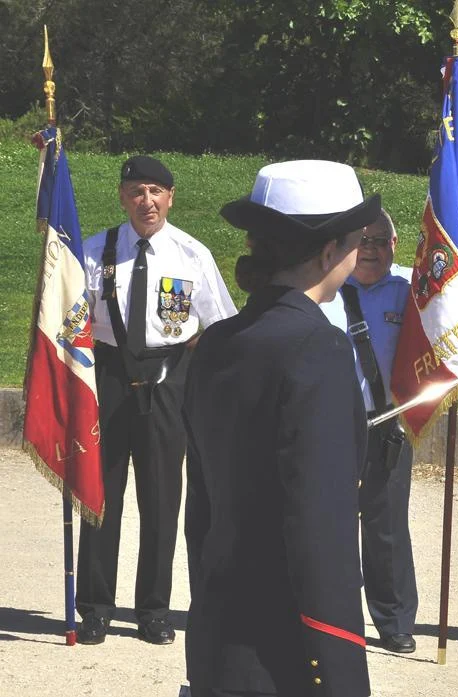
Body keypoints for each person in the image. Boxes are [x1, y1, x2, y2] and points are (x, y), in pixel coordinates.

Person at [182, 160, 378, 696]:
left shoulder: (217, 343)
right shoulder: (319, 349)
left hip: (218, 637)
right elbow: (322, 533)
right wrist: (339, 674)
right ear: (327, 250)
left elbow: (201, 511)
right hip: (287, 654)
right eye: (358, 239)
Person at [76, 155, 236, 646]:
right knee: (99, 496)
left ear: (170, 197)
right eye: (136, 192)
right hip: (107, 377)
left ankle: (153, 609)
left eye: (156, 191)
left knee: (162, 499)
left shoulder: (191, 255)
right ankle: (96, 607)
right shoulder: (93, 252)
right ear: (122, 198)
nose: (147, 201)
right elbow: (70, 323)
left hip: (169, 380)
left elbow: (222, 327)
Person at [318, 209, 419, 654]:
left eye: (380, 240)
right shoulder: (327, 289)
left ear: (395, 245)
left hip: (386, 422)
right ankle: (331, 614)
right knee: (328, 520)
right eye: (363, 241)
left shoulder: (411, 290)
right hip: (331, 422)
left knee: (386, 525)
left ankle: (393, 619)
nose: (371, 250)